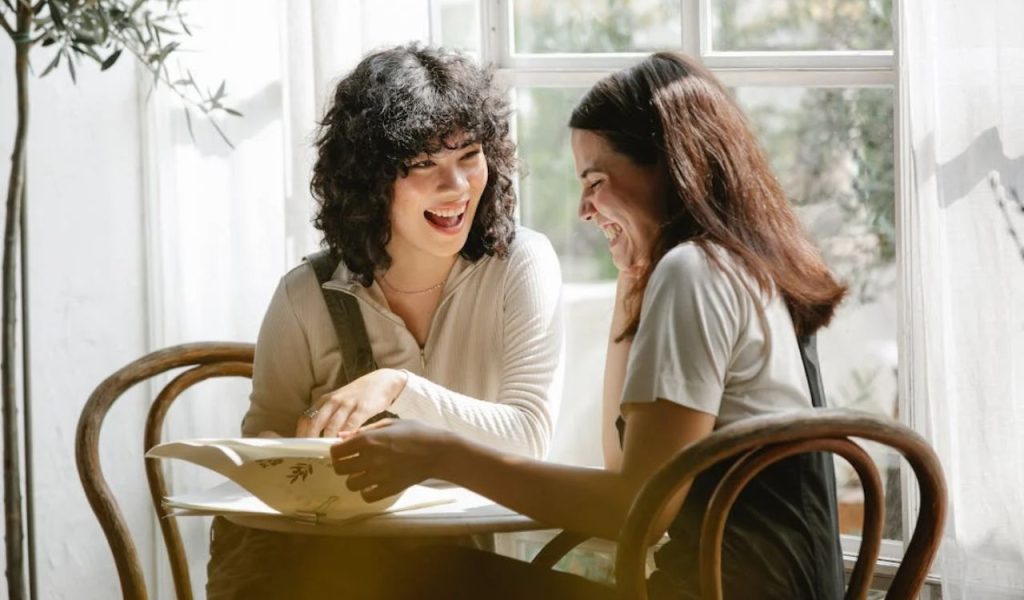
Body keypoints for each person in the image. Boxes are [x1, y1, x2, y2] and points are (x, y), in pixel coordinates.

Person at [331, 51, 848, 600]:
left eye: (596, 180)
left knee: (421, 578)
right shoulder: (739, 264)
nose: (583, 207)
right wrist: (631, 283)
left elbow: (636, 512)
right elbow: (623, 467)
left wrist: (441, 454)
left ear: (672, 167)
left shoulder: (693, 272)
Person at [205, 43, 564, 599]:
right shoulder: (306, 294)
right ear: (371, 181)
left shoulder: (520, 264)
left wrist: (397, 387)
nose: (458, 186)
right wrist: (303, 449)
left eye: (469, 154)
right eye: (423, 164)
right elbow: (264, 439)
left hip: (454, 568)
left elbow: (529, 439)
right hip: (329, 569)